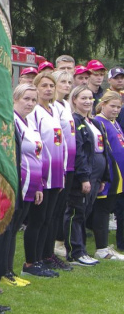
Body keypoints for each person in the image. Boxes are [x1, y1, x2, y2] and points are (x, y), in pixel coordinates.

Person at [22, 72, 64, 278]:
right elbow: (36, 145)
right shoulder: (35, 112)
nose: (48, 89)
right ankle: (31, 261)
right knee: (37, 220)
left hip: (56, 174)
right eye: (44, 85)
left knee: (48, 219)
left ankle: (41, 258)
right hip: (42, 173)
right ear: (36, 87)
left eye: (51, 86)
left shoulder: (54, 110)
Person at [2, 84, 41, 287]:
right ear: (15, 98)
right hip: (17, 183)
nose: (30, 103)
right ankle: (4, 270)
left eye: (34, 100)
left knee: (15, 228)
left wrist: (38, 185)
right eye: (26, 98)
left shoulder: (30, 121)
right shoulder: (12, 121)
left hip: (30, 184)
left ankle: (9, 269)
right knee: (8, 229)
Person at [64, 85, 107, 266]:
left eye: (90, 98)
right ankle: (75, 252)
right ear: (74, 100)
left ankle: (82, 249)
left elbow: (103, 150)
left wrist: (104, 177)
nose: (88, 101)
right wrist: (84, 178)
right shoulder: (75, 121)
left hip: (96, 176)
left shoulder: (93, 122)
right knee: (76, 213)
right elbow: (79, 152)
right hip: (84, 176)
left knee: (85, 212)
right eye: (83, 98)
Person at [47, 71, 75, 269]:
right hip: (56, 165)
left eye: (69, 82)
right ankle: (46, 252)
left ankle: (50, 252)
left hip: (68, 164)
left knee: (58, 212)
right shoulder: (52, 107)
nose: (67, 85)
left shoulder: (66, 105)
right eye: (62, 82)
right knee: (50, 213)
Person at [92, 92, 124, 260]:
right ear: (102, 104)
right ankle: (101, 248)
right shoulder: (98, 122)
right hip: (108, 175)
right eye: (112, 106)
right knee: (102, 210)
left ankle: (104, 245)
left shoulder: (114, 122)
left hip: (119, 177)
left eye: (118, 107)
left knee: (107, 209)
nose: (116, 110)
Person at [106, 67, 124, 250]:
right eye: (116, 78)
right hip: (113, 167)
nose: (120, 81)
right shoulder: (103, 119)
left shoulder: (115, 120)